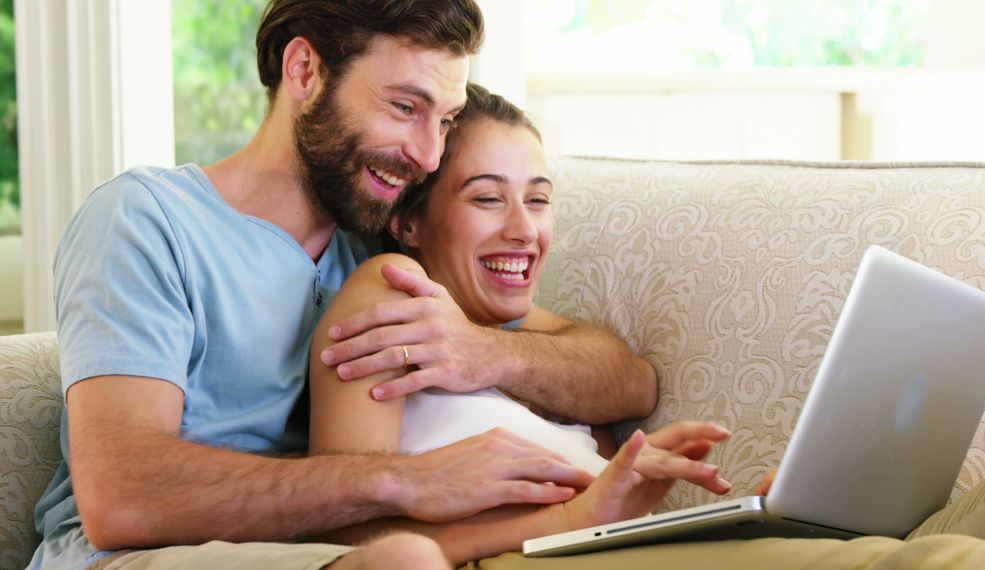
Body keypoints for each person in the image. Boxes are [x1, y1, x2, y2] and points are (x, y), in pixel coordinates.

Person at [31, 2, 660, 569]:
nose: (428, 156)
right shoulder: (146, 220)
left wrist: (487, 350)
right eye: (405, 108)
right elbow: (124, 496)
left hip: (311, 553)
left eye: (444, 121)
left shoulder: (380, 243)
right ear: (304, 70)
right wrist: (406, 480)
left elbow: (626, 381)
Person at [307, 83, 734, 565]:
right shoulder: (394, 290)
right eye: (488, 198)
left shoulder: (530, 349)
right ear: (408, 223)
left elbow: (635, 382)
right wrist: (569, 519)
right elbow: (345, 531)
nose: (525, 231)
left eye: (537, 200)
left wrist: (486, 354)